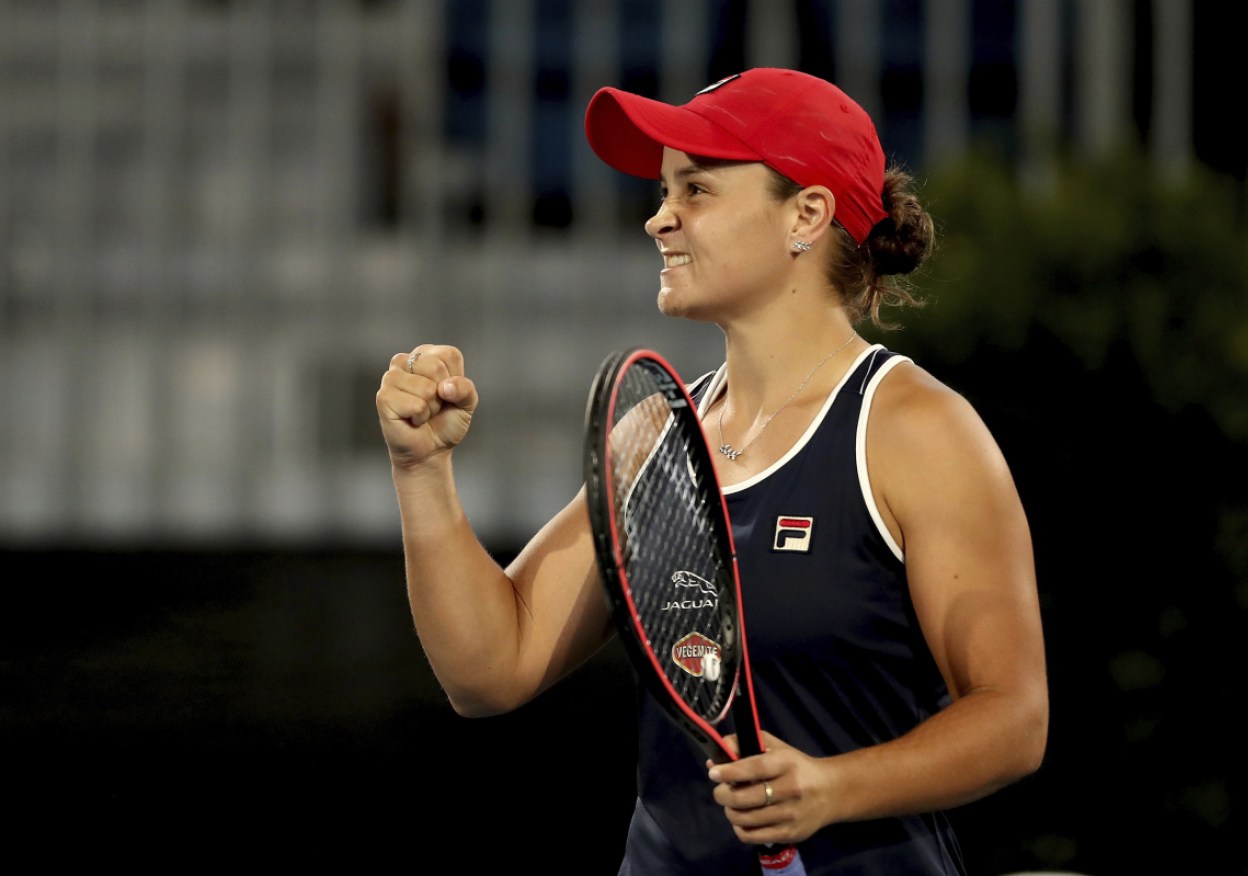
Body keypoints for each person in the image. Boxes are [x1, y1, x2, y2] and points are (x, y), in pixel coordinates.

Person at [376, 67, 1048, 875]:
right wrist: (421, 471)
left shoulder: (915, 430)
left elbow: (1012, 719)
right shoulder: (653, 430)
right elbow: (490, 670)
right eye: (663, 191)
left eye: (695, 189)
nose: (659, 218)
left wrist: (834, 787)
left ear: (805, 214)